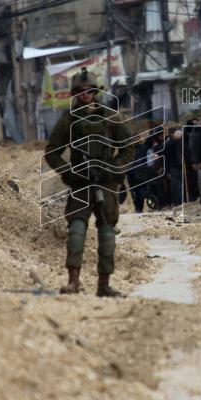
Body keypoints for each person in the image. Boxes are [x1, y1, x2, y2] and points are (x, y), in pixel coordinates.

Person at [44, 68, 134, 297]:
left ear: (96, 92)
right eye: (82, 91)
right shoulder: (69, 119)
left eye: (90, 91)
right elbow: (52, 153)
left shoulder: (110, 117)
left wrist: (114, 168)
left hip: (106, 183)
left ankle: (104, 285)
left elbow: (128, 148)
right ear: (75, 93)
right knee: (76, 230)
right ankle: (73, 281)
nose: (86, 95)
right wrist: (69, 172)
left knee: (107, 233)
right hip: (80, 183)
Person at [162, 128, 185, 206]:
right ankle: (179, 202)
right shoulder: (171, 143)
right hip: (174, 167)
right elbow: (166, 157)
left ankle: (180, 202)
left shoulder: (170, 143)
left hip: (177, 166)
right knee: (177, 185)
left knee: (179, 185)